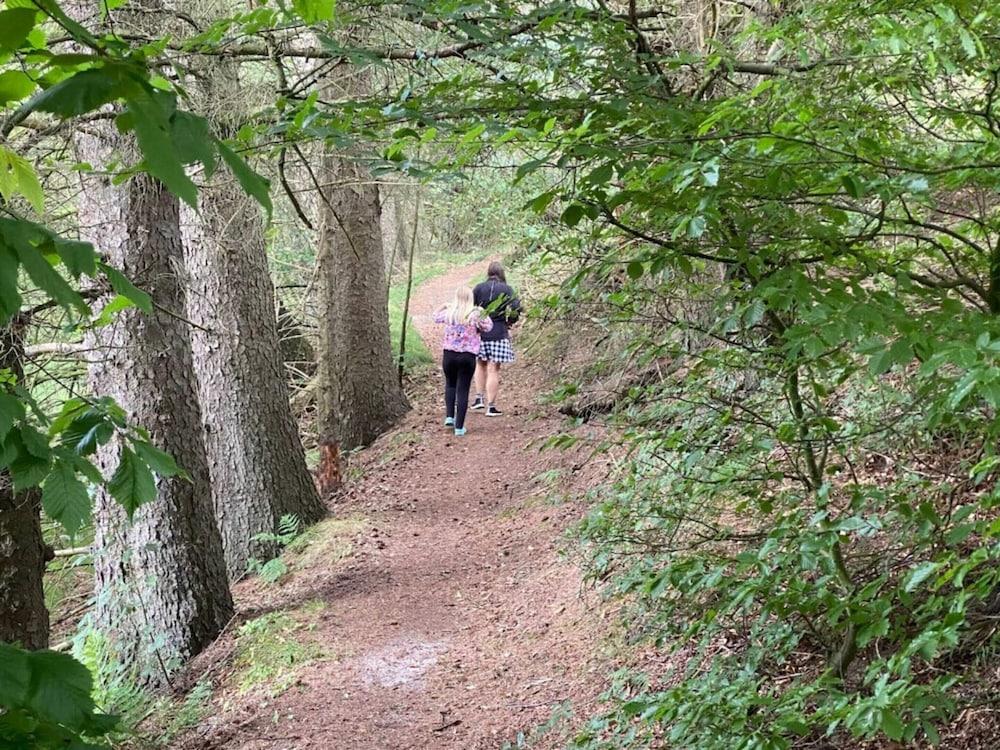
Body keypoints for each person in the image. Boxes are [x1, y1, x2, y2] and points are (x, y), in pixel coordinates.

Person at [433, 286, 493, 436]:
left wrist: (444, 305)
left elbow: (435, 317)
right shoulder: (475, 313)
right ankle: (459, 427)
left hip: (449, 354)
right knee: (463, 389)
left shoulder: (449, 313)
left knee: (450, 384)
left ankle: (449, 416)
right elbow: (488, 326)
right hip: (467, 356)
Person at [471, 261, 522, 417]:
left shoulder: (479, 288)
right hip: (499, 331)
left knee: (480, 364)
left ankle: (479, 398)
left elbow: (471, 308)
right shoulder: (507, 289)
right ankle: (491, 407)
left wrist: (475, 324)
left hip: (480, 332)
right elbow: (517, 307)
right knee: (493, 369)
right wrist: (510, 321)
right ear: (502, 273)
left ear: (488, 273)